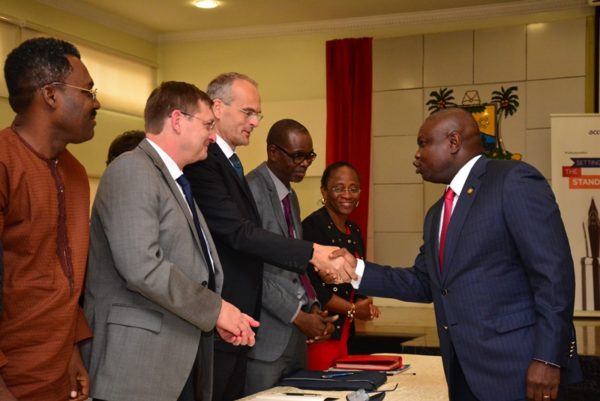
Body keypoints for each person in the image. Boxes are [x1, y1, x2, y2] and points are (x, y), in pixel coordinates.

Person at [330, 108, 582, 401]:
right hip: (463, 376)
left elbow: (553, 275)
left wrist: (548, 359)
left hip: (521, 372)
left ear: (453, 142)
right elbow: (424, 282)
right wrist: (356, 270)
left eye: (423, 143)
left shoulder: (512, 180)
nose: (416, 154)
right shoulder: (437, 213)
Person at [82, 81, 258, 401]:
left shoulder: (175, 179)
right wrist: (215, 310)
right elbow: (142, 267)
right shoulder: (132, 170)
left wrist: (215, 315)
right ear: (177, 120)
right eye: (208, 125)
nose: (213, 135)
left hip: (175, 360)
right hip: (137, 367)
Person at [183, 72, 354, 400]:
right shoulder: (204, 163)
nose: (254, 121)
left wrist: (311, 303)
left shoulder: (231, 165)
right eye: (248, 112)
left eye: (257, 114)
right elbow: (242, 237)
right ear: (217, 108)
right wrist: (312, 253)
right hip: (236, 321)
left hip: (248, 325)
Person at [0, 37, 100, 401]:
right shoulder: (4, 162)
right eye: (87, 91)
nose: (96, 102)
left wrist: (73, 349)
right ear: (50, 95)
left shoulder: (74, 171)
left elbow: (63, 276)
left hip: (58, 373)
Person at [244, 119, 337, 395]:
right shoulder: (251, 190)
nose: (305, 163)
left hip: (295, 338)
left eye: (310, 156)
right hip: (267, 341)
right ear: (274, 152)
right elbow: (253, 270)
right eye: (298, 156)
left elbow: (294, 261)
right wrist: (297, 316)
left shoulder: (290, 196)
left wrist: (312, 307)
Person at [302, 161, 380, 370]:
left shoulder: (353, 230)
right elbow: (311, 288)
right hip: (322, 333)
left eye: (353, 188)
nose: (347, 194)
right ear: (324, 191)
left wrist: (366, 304)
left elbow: (358, 277)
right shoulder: (312, 227)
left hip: (345, 333)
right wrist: (354, 310)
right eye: (338, 188)